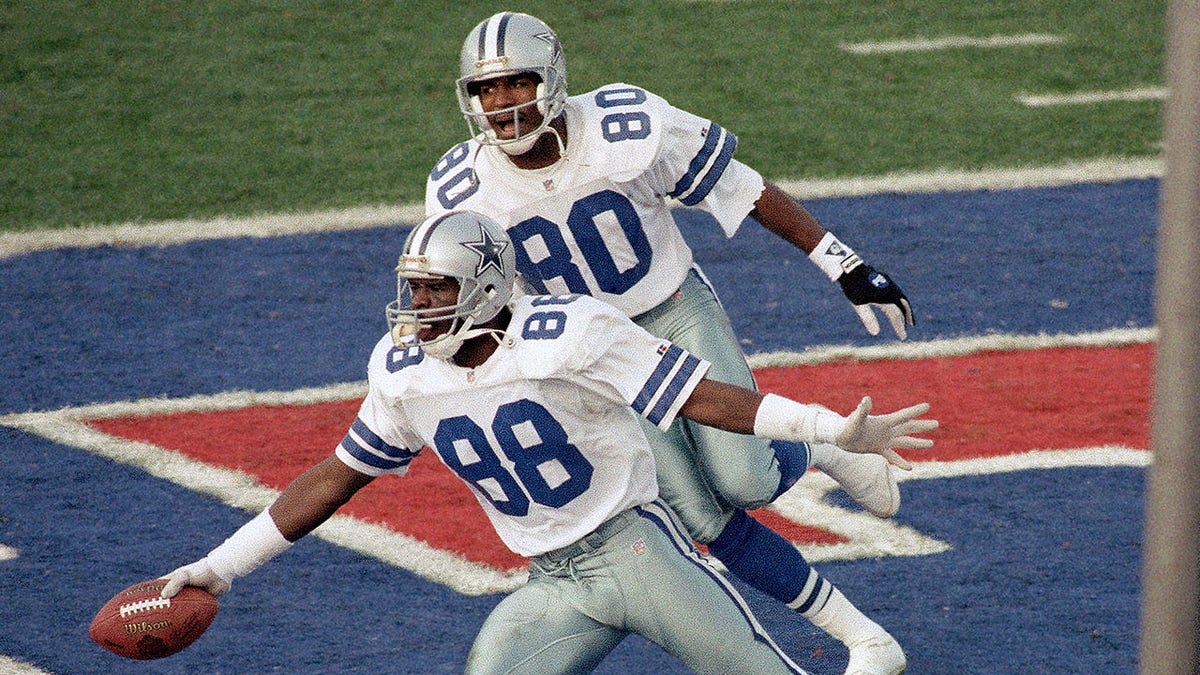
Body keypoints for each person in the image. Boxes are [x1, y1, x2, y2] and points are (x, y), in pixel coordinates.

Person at [160, 211, 937, 674]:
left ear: (489, 285)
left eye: (436, 290)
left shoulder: (570, 333)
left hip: (640, 553)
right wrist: (220, 567)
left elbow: (705, 397)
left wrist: (827, 427)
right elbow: (336, 476)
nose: (417, 307)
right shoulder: (403, 372)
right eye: (414, 289)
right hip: (553, 580)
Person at [426, 12, 918, 674]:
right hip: (595, 354)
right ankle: (867, 638)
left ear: (553, 79)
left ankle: (816, 445)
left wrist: (845, 264)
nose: (501, 104)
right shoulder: (462, 185)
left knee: (743, 477)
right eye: (486, 90)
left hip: (672, 308)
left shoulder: (625, 127)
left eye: (516, 83)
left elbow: (740, 187)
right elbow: (471, 291)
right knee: (699, 517)